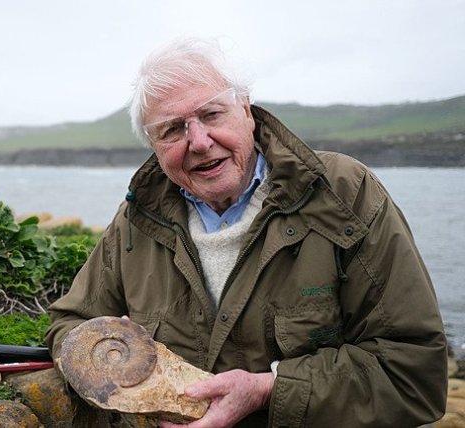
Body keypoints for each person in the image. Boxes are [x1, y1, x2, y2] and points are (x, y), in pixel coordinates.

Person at [45, 37, 448, 427]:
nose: (199, 142)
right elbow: (71, 324)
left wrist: (268, 390)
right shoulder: (137, 220)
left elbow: (413, 374)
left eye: (212, 114)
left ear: (247, 110)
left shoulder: (346, 193)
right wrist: (121, 374)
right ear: (153, 143)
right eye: (172, 130)